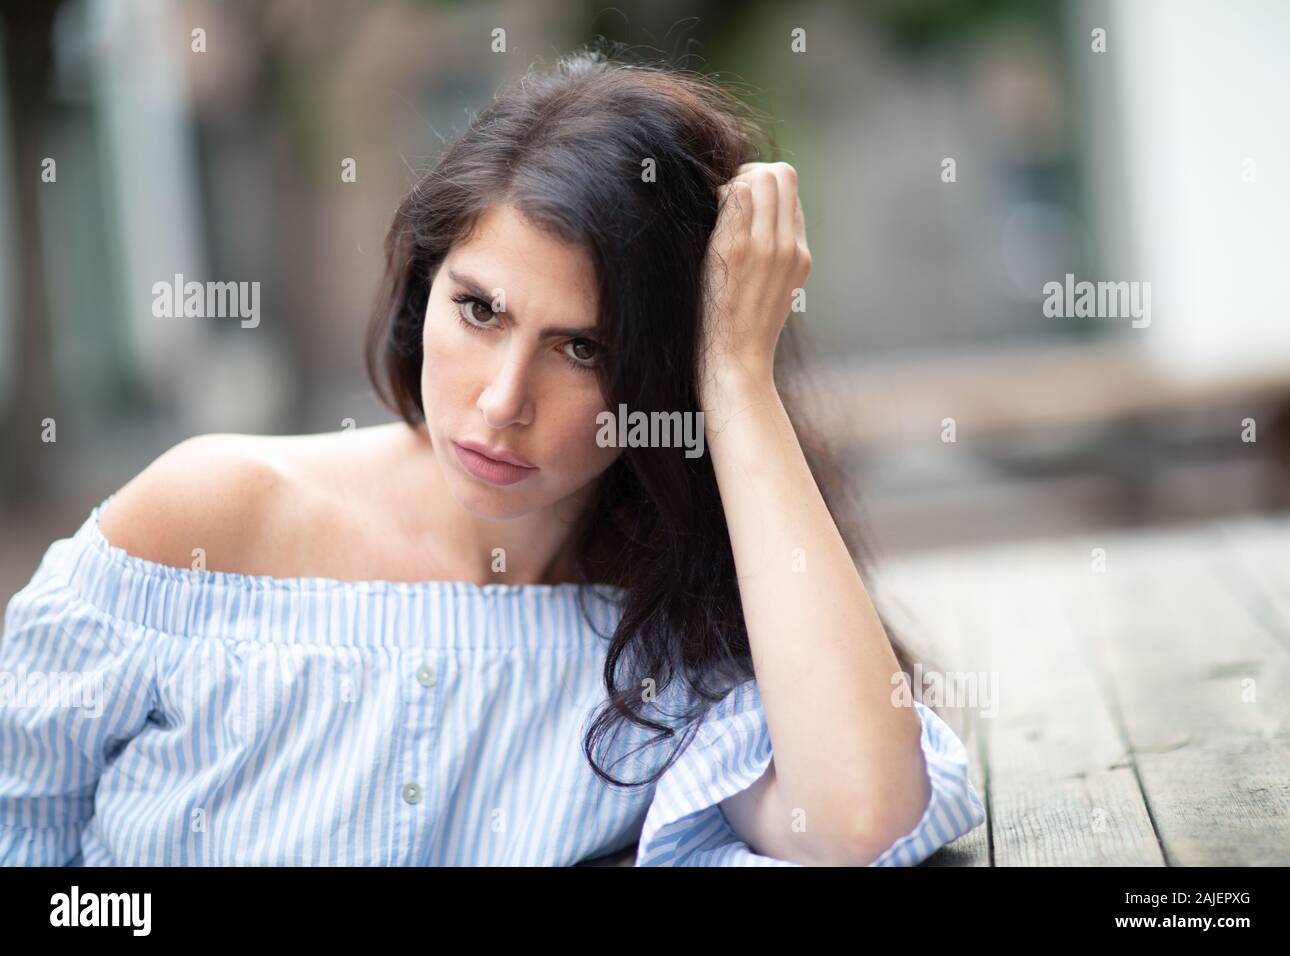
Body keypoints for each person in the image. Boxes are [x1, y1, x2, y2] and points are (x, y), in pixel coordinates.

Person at [0, 49, 984, 866]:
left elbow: (862, 816)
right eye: (479, 309)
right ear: (424, 283)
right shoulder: (207, 520)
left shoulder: (672, 637)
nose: (503, 400)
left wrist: (735, 375)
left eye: (583, 347)